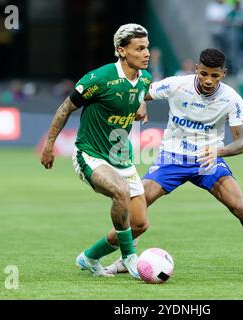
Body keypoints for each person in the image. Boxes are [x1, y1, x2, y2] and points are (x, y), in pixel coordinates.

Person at [106, 48, 243, 275]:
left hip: (208, 160)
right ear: (196, 69)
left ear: (223, 74)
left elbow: (242, 142)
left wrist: (219, 151)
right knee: (138, 203)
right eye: (204, 73)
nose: (208, 80)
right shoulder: (177, 85)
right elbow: (138, 91)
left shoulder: (232, 99)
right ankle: (126, 259)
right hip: (172, 158)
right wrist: (140, 102)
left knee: (240, 207)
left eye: (215, 76)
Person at [40, 23, 151, 279]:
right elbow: (65, 109)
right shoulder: (99, 79)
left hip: (123, 159)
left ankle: (89, 257)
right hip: (91, 155)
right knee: (120, 192)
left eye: (147, 47)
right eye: (139, 48)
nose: (146, 53)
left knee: (140, 224)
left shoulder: (144, 78)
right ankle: (129, 258)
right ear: (122, 51)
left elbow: (138, 96)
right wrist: (49, 145)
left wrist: (142, 107)